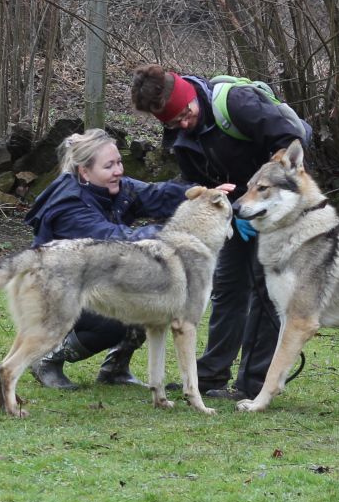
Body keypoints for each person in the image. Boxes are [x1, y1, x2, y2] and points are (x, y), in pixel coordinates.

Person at [131, 64, 311, 400]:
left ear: (188, 94)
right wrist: (230, 211)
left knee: (266, 291)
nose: (183, 124)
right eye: (173, 123)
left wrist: (264, 204)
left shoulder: (238, 103)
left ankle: (254, 383)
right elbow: (198, 181)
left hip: (274, 209)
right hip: (234, 214)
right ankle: (211, 375)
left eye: (186, 114)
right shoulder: (180, 135)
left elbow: (291, 144)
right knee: (228, 286)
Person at [24, 128, 205, 389]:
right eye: (109, 166)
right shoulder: (69, 206)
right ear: (85, 172)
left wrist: (202, 194)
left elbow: (158, 195)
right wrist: (175, 234)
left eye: (119, 162)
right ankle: (46, 358)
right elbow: (114, 239)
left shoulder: (113, 187)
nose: (119, 170)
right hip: (56, 293)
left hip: (94, 282)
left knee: (149, 296)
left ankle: (115, 369)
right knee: (116, 318)